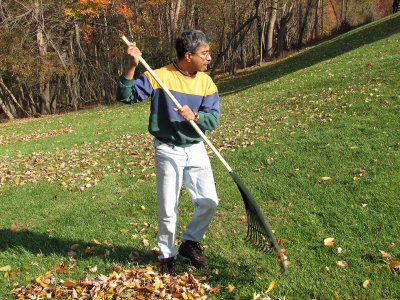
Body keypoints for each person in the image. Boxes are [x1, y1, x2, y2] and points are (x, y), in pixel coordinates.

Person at [116, 29, 220, 275]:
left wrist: (195, 116)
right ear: (188, 55)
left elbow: (213, 118)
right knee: (167, 207)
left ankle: (190, 243)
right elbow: (125, 96)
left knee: (209, 202)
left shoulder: (206, 82)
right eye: (204, 53)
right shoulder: (158, 76)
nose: (209, 58)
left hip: (195, 147)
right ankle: (166, 256)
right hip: (167, 149)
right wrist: (131, 65)